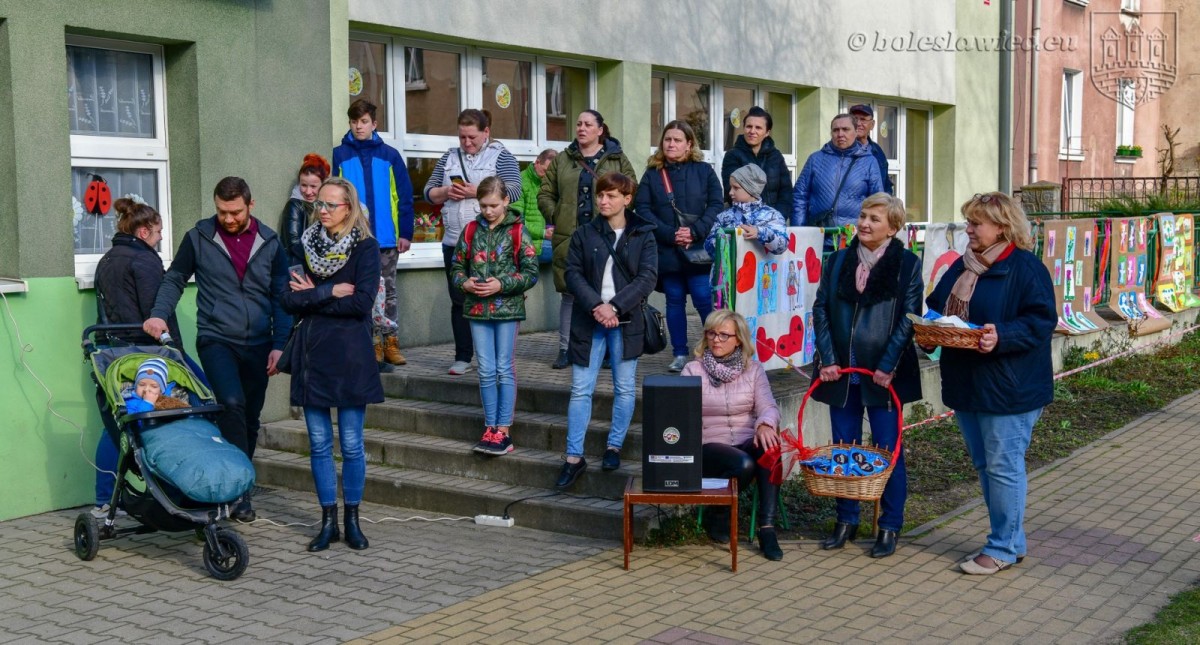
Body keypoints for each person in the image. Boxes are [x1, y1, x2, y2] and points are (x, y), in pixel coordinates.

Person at [144, 176, 292, 522]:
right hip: (216, 338)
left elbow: (281, 298)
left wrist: (279, 345)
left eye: (235, 212)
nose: (228, 218)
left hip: (258, 342)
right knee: (231, 405)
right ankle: (238, 493)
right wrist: (158, 314)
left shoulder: (270, 242)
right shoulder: (199, 238)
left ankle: (237, 480)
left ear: (250, 206)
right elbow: (174, 278)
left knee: (250, 417)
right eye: (222, 211)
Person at [925, 191, 1055, 575]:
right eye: (968, 222)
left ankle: (1000, 547)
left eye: (975, 223)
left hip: (1010, 387)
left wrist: (1002, 336)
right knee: (987, 466)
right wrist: (929, 328)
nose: (968, 229)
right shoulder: (961, 267)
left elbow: (1040, 322)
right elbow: (936, 305)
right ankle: (1012, 543)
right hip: (967, 384)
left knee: (1003, 467)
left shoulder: (1026, 268)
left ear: (1002, 226)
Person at [811, 192, 923, 559]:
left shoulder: (907, 264)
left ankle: (889, 526)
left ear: (893, 227)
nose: (863, 223)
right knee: (844, 450)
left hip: (883, 374)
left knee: (888, 451)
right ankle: (846, 520)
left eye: (874, 219)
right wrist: (827, 358)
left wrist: (887, 366)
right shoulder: (838, 259)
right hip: (840, 372)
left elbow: (908, 320)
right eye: (862, 216)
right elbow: (821, 309)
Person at [280, 177, 384, 552]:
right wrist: (326, 291)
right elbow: (288, 301)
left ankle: (353, 520)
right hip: (312, 355)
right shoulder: (303, 245)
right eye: (318, 204)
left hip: (351, 355)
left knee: (353, 444)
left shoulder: (366, 248)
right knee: (320, 444)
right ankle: (328, 523)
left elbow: (361, 304)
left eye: (330, 204)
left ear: (348, 208)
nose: (321, 210)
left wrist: (312, 297)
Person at [557, 172, 657, 488]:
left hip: (625, 321)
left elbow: (647, 277)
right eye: (601, 195)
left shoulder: (644, 233)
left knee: (624, 387)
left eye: (611, 195)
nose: (603, 200)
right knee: (580, 389)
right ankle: (573, 456)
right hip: (589, 320)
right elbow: (572, 273)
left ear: (627, 199)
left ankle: (614, 446)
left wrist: (614, 307)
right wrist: (597, 307)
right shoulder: (585, 233)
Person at [92, 198, 181, 517]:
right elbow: (156, 315)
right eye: (157, 232)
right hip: (148, 354)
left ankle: (104, 500)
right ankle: (173, 495)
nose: (160, 239)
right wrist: (177, 355)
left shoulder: (107, 260)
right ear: (143, 231)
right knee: (173, 414)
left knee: (116, 425)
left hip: (114, 354)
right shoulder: (145, 261)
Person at [424, 109, 522, 376]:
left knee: (489, 297)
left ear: (486, 132)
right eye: (462, 137)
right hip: (455, 240)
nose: (466, 143)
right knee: (459, 300)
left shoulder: (501, 156)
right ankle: (462, 356)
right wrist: (446, 191)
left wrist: (475, 191)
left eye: (472, 137)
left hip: (490, 241)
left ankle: (490, 359)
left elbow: (514, 189)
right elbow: (428, 192)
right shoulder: (449, 157)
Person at [681, 310, 784, 561]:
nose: (716, 340)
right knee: (743, 463)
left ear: (738, 339)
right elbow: (681, 413)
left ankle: (767, 528)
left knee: (770, 449)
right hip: (709, 446)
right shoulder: (693, 370)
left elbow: (768, 406)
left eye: (724, 335)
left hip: (745, 440)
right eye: (712, 333)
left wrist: (765, 425)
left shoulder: (753, 370)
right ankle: (719, 514)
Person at [538, 110, 637, 370]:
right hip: (570, 237)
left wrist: (616, 219)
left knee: (605, 291)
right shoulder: (562, 159)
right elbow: (546, 192)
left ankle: (605, 351)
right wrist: (556, 215)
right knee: (571, 294)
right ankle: (565, 349)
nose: (581, 128)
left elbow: (631, 191)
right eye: (579, 123)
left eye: (588, 124)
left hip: (606, 237)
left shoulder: (617, 160)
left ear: (600, 130)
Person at [451, 177, 540, 456]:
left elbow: (531, 272)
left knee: (504, 368)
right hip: (477, 309)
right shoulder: (470, 230)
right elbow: (456, 266)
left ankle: (504, 430)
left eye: (493, 205)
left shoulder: (518, 231)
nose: (488, 211)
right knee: (486, 370)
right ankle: (489, 427)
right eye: (483, 205)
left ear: (505, 201)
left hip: (508, 310)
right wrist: (464, 282)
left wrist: (502, 284)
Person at [333, 98, 415, 367]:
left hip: (386, 239)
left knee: (388, 292)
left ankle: (391, 341)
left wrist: (406, 232)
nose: (359, 126)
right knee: (362, 293)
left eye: (364, 121)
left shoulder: (390, 156)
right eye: (355, 122)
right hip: (353, 241)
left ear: (374, 124)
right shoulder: (340, 156)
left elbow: (404, 196)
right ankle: (372, 344)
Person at [635, 119, 723, 372]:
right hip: (667, 250)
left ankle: (713, 351)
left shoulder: (704, 171)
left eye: (677, 140)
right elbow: (642, 209)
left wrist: (694, 231)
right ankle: (680, 353)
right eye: (667, 139)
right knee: (674, 301)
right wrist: (669, 234)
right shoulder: (652, 173)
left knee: (704, 300)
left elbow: (716, 205)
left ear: (689, 144)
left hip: (697, 250)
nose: (671, 144)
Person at [791, 114, 882, 228]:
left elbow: (877, 201)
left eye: (845, 129)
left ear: (855, 131)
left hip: (854, 237)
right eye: (836, 130)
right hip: (819, 235)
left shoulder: (869, 161)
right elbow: (800, 196)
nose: (840, 134)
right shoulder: (815, 159)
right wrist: (799, 231)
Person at [720, 105, 793, 215]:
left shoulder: (776, 156)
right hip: (744, 221)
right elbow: (731, 191)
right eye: (749, 126)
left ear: (767, 132)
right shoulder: (733, 155)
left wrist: (776, 217)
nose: (752, 131)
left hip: (773, 221)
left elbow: (786, 192)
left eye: (758, 128)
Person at [704, 164, 788, 259]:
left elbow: (782, 246)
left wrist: (760, 233)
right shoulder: (724, 216)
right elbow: (708, 247)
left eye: (736, 188)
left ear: (751, 189)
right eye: (731, 187)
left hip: (759, 272)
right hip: (728, 273)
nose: (730, 192)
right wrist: (726, 240)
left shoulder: (772, 216)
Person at [281, 153, 331, 264]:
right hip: (300, 268)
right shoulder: (295, 205)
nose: (308, 192)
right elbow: (293, 243)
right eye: (303, 185)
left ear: (323, 184)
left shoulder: (327, 206)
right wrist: (321, 259)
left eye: (313, 186)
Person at [512, 148, 558, 262]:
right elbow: (515, 220)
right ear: (537, 162)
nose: (549, 177)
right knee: (571, 251)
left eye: (552, 173)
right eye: (545, 171)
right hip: (530, 241)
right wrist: (543, 233)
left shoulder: (553, 182)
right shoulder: (520, 182)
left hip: (549, 236)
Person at [848, 104, 894, 195]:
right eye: (855, 119)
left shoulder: (877, 151)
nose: (858, 123)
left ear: (872, 125)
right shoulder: (841, 149)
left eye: (863, 119)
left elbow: (886, 183)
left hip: (874, 206)